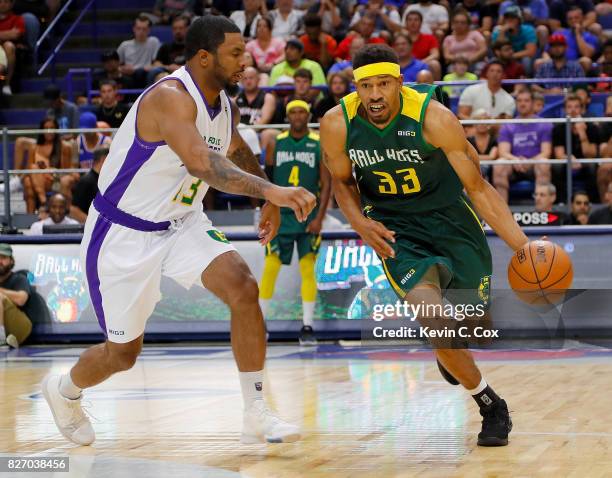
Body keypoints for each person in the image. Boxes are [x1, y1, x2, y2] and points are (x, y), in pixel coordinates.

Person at [41, 15, 315, 447]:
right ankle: (64, 391)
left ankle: (256, 410)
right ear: (204, 57)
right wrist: (274, 191)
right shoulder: (169, 98)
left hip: (182, 223)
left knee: (242, 287)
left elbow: (235, 147)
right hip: (122, 233)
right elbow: (204, 164)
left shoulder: (225, 104)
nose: (246, 62)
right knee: (122, 356)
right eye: (236, 53)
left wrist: (262, 198)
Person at [321, 43, 528, 447]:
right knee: (434, 320)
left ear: (400, 82)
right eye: (366, 86)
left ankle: (451, 348)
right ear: (355, 87)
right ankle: (490, 404)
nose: (375, 94)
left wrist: (523, 247)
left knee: (473, 327)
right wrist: (359, 223)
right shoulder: (336, 123)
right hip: (397, 230)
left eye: (384, 84)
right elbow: (342, 182)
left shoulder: (433, 118)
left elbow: (478, 187)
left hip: (451, 220)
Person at [260, 100, 331, 345]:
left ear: (308, 115)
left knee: (308, 269)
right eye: (293, 112)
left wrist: (320, 218)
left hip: (308, 215)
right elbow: (264, 181)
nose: (298, 116)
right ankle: (260, 325)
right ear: (288, 116)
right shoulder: (275, 143)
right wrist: (265, 209)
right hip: (281, 215)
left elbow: (327, 183)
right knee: (270, 268)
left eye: (302, 112)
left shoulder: (318, 142)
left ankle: (308, 326)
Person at [493, 89, 552, 203]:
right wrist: (516, 160)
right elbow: (503, 152)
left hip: (534, 164)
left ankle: (542, 209)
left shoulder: (544, 124)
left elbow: (546, 152)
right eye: (519, 101)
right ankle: (503, 213)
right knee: (499, 165)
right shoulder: (508, 125)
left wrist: (529, 162)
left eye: (526, 100)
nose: (522, 103)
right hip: (514, 165)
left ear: (533, 103)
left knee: (544, 163)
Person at [13, 117, 72, 213]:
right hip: (38, 181)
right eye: (46, 128)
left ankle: (43, 202)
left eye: (52, 128)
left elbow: (66, 172)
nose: (49, 131)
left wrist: (47, 169)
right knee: (29, 178)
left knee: (33, 169)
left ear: (56, 130)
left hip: (54, 180)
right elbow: (29, 169)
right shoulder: (34, 147)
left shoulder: (64, 147)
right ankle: (33, 216)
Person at [552, 93, 599, 202]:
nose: (573, 110)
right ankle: (561, 202)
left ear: (582, 110)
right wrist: (569, 159)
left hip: (585, 161)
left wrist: (582, 133)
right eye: (569, 107)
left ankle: (592, 201)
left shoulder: (591, 127)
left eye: (576, 107)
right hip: (567, 160)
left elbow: (591, 154)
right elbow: (559, 154)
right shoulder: (559, 128)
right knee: (557, 167)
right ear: (564, 110)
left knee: (592, 165)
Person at [0, 243, 33, 348]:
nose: (0, 261)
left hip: (20, 327)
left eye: (3, 258)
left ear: (11, 260)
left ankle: (1, 339)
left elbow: (21, 299)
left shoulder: (19, 279)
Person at [117, 15, 161, 88]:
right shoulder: (125, 45)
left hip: (147, 74)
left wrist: (152, 66)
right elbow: (115, 66)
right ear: (134, 29)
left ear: (149, 30)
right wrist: (123, 69)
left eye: (144, 29)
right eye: (138, 28)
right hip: (130, 75)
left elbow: (157, 62)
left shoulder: (154, 42)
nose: (141, 31)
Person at [491, 6, 537, 74]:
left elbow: (530, 51)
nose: (509, 20)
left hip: (520, 58)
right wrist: (502, 32)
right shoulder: (498, 31)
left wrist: (511, 56)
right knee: (494, 61)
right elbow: (497, 51)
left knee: (526, 60)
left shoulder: (528, 30)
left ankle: (526, 81)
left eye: (513, 18)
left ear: (519, 19)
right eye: (507, 18)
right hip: (504, 58)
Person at [554, 6, 599, 74]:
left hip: (578, 66)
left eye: (576, 18)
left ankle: (579, 84)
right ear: (567, 21)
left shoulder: (590, 36)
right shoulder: (559, 33)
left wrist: (577, 34)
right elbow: (546, 51)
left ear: (582, 18)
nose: (573, 21)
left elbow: (587, 54)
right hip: (559, 63)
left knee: (585, 61)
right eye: (570, 19)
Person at [70, 147, 108, 223]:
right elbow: (74, 210)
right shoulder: (86, 181)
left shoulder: (106, 180)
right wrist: (93, 224)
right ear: (103, 159)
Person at [149, 15, 189, 83]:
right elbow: (156, 63)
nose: (178, 31)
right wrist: (168, 67)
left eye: (180, 28)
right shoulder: (165, 47)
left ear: (187, 29)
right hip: (167, 75)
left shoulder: (193, 47)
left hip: (187, 75)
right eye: (175, 28)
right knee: (157, 74)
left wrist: (180, 68)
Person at [403, 10, 441, 80]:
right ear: (406, 23)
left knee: (435, 64)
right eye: (410, 20)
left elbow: (435, 54)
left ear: (421, 23)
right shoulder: (401, 39)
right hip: (404, 65)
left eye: (416, 20)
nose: (413, 23)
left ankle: (434, 90)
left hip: (423, 65)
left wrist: (420, 63)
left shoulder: (429, 38)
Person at [0, 0, 24, 95]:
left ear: (11, 4)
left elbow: (15, 35)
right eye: (0, 2)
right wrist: (7, 34)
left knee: (9, 45)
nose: (2, 4)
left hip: (7, 51)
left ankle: (7, 84)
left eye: (6, 2)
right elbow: (11, 34)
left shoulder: (17, 19)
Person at [467, 109, 498, 180]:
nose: (482, 123)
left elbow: (492, 157)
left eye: (485, 120)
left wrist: (473, 157)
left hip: (490, 171)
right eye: (478, 120)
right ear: (474, 123)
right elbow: (467, 156)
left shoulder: (493, 139)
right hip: (473, 169)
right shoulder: (469, 140)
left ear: (489, 124)